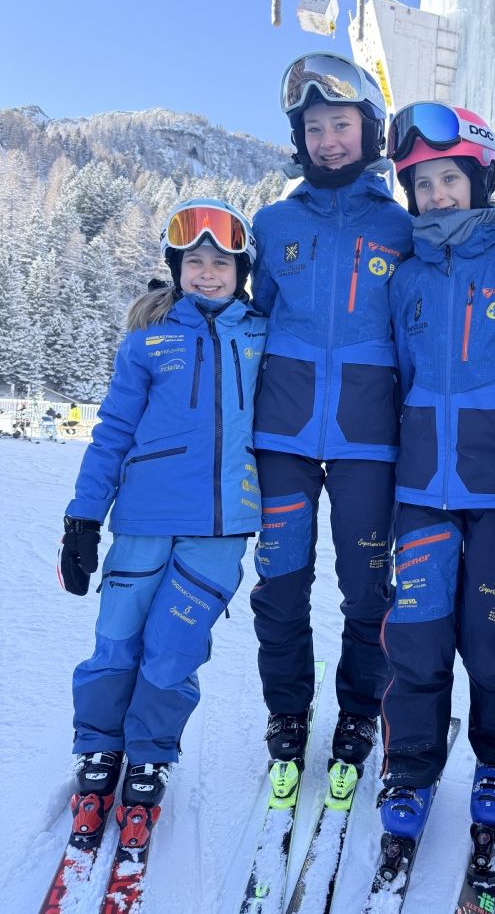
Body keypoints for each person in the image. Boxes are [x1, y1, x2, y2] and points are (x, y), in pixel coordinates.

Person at [61, 199, 265, 834]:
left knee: (174, 648)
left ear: (242, 273)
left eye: (222, 263)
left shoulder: (264, 335)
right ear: (176, 268)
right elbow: (112, 433)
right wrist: (82, 519)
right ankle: (100, 743)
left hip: (223, 526)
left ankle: (150, 752)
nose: (207, 273)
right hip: (144, 519)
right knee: (117, 638)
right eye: (194, 261)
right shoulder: (146, 342)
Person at [375, 102, 495, 845]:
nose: (437, 194)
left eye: (450, 178)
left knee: (489, 630)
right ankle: (409, 767)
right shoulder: (406, 277)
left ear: (480, 179)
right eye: (422, 184)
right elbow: (402, 375)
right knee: (415, 630)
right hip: (421, 488)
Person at [249, 53, 413, 771]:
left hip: (367, 439)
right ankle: (287, 708)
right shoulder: (273, 222)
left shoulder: (402, 229)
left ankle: (357, 711)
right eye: (314, 128)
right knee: (281, 583)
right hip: (281, 433)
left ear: (368, 130)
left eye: (340, 125)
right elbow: (249, 322)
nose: (328, 141)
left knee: (367, 588)